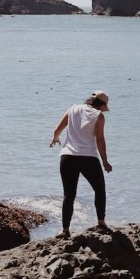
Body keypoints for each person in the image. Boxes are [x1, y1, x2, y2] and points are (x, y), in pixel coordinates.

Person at [49, 90, 113, 238]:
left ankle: (65, 230)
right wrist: (105, 161)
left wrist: (55, 138)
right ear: (101, 105)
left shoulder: (73, 109)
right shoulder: (99, 116)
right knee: (99, 189)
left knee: (69, 195)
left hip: (67, 156)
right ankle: (101, 222)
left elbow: (58, 129)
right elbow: (100, 140)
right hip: (88, 157)